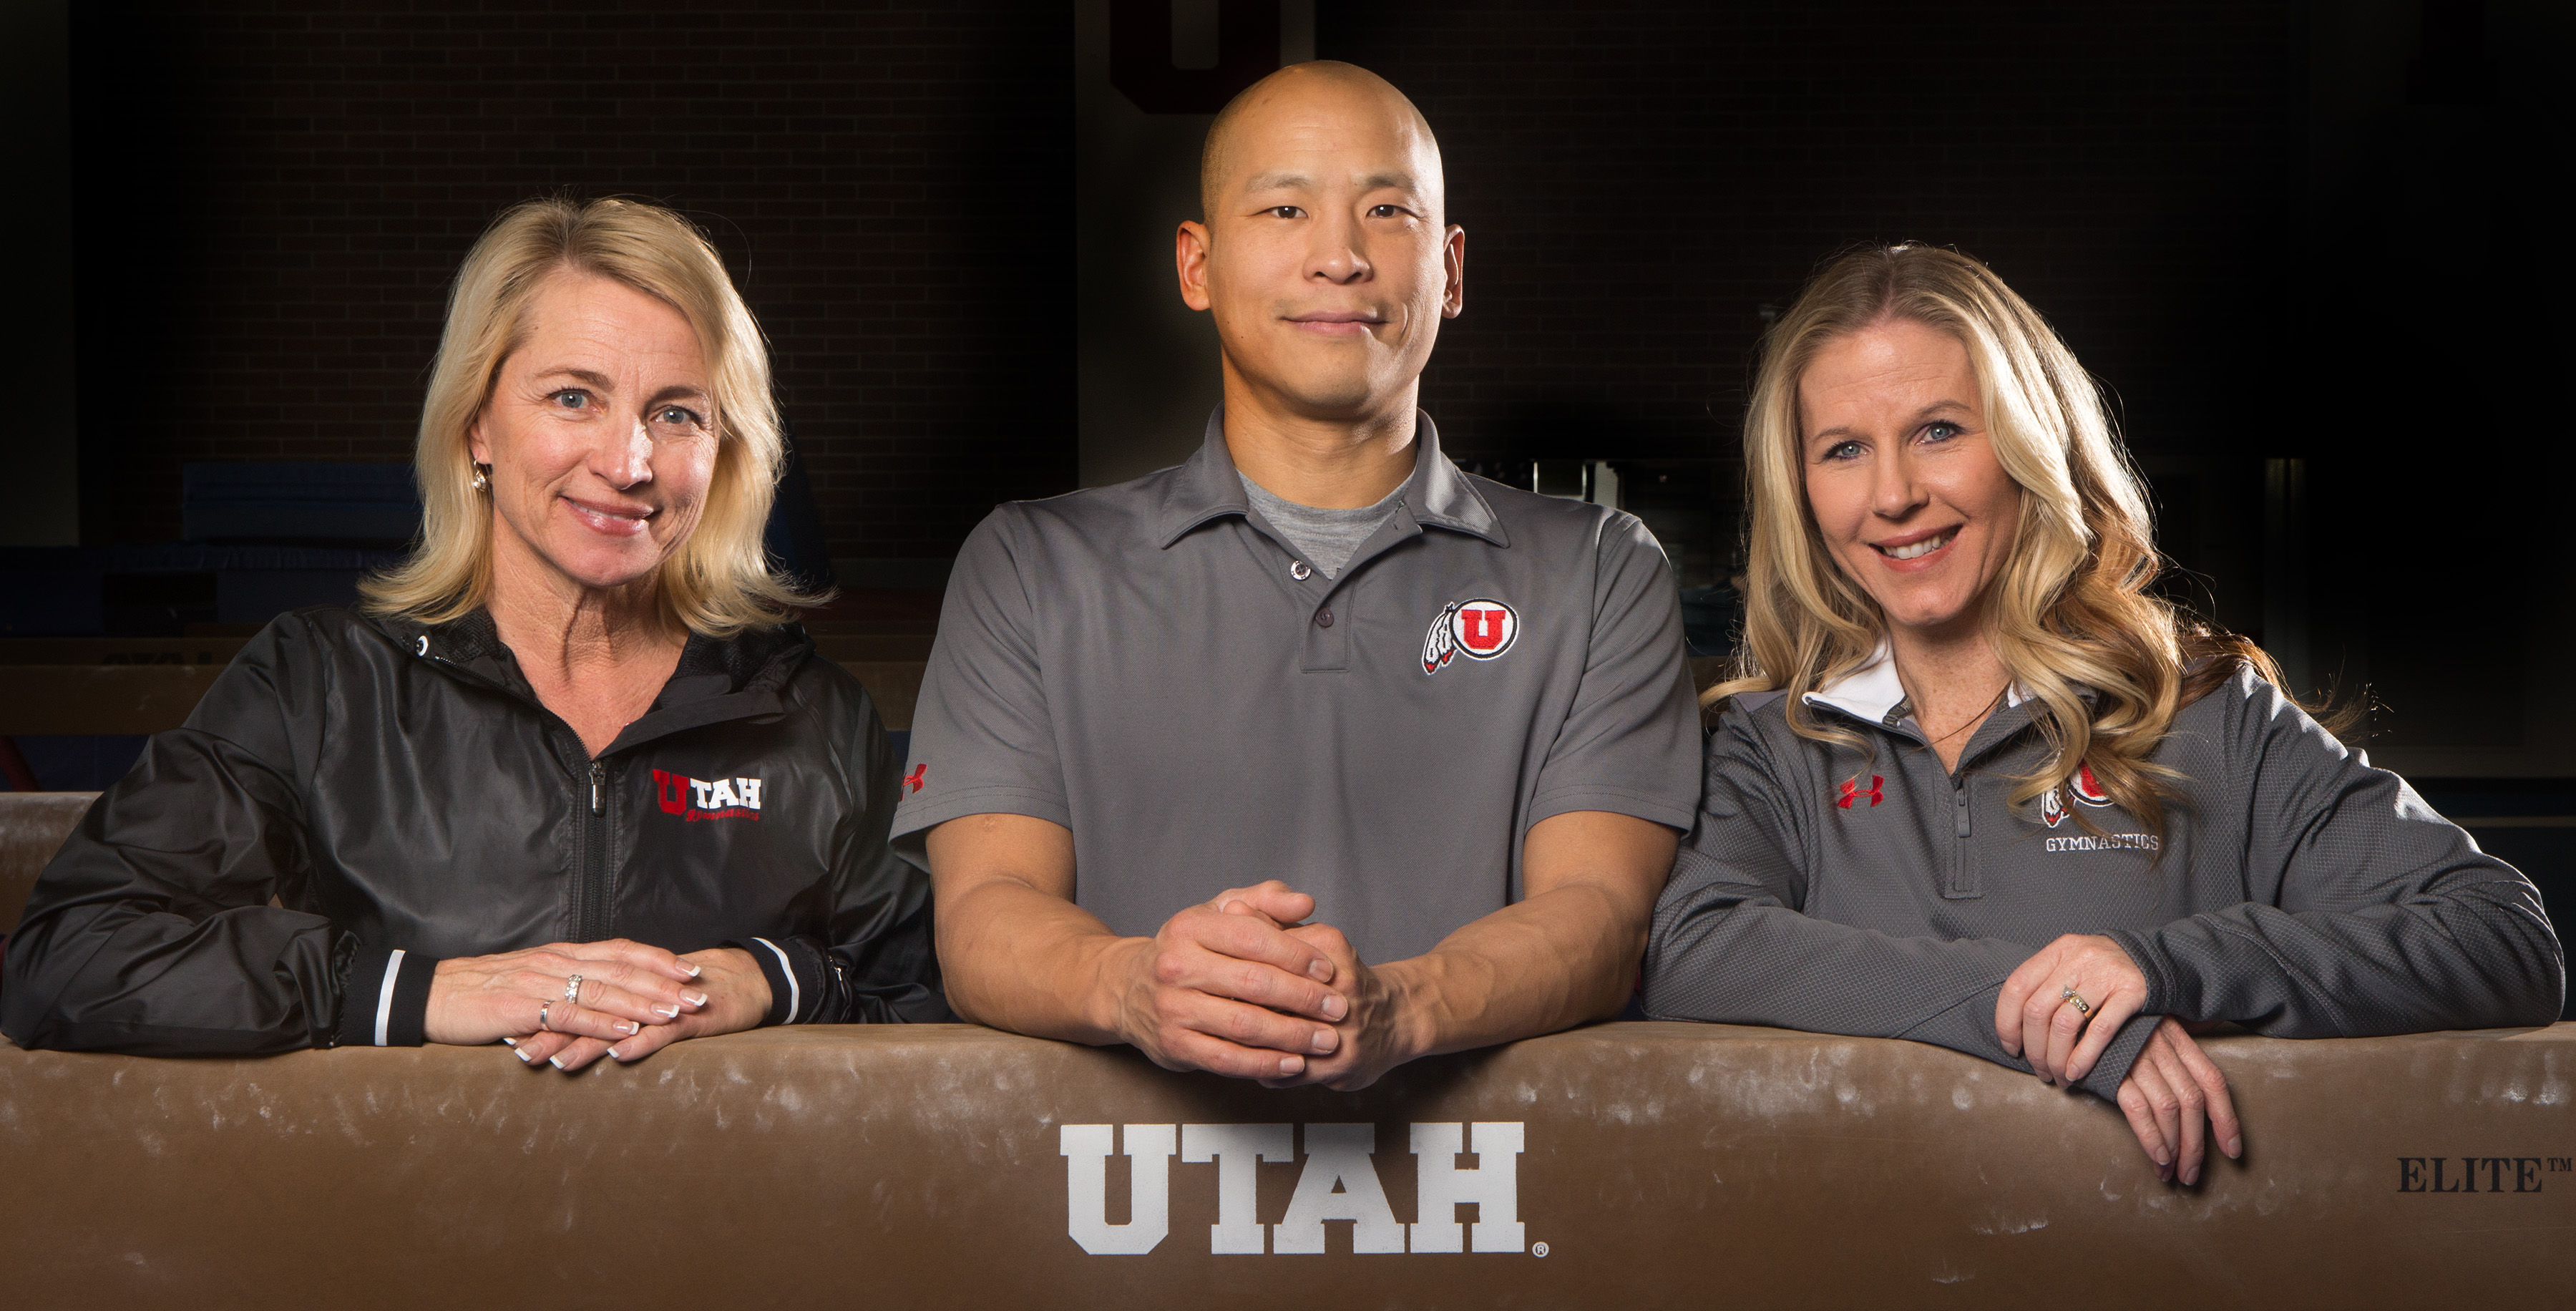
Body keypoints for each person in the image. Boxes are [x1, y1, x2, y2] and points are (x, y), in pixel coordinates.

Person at [1642, 243, 2564, 1184]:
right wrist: (2037, 1008)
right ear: (1801, 491)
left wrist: (2161, 967)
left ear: (2026, 444)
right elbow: (1691, 949)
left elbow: (2499, 937)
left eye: (1940, 432)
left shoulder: (2204, 713)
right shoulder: (1770, 744)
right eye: (1844, 449)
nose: (1893, 495)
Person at [897, 62, 1701, 1091]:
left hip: (1487, 1212)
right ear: (1196, 265)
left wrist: (1402, 1007)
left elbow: (1604, 920)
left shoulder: (1599, 572)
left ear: (1451, 271)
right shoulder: (1028, 566)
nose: (1339, 257)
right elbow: (980, 916)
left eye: (1387, 210)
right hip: (1124, 1213)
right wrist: (1137, 983)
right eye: (1285, 208)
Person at [1, 196, 942, 1065]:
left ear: (722, 451)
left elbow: (934, 987)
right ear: (476, 426)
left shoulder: (806, 714)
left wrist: (776, 979)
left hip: (709, 1226)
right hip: (411, 1225)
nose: (629, 462)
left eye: (676, 413)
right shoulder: (326, 687)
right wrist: (415, 991)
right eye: (573, 396)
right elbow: (67, 953)